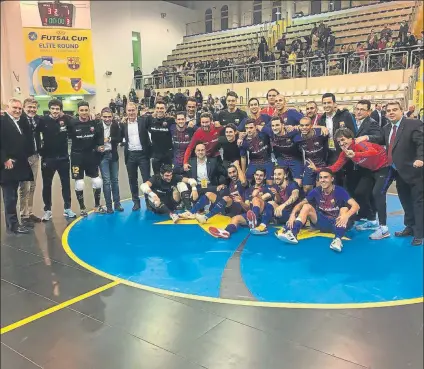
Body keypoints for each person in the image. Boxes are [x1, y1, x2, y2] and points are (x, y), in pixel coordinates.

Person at [308, 127, 390, 240]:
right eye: (339, 141)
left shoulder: (360, 144)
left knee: (377, 194)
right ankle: (372, 220)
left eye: (343, 139)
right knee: (359, 193)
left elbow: (373, 152)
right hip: (371, 171)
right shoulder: (344, 153)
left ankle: (384, 228)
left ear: (351, 138)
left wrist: (355, 154)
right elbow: (335, 167)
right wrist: (317, 169)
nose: (341, 143)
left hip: (384, 168)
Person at [276, 168, 360, 252]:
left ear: (332, 179)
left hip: (337, 223)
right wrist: (292, 215)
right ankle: (293, 234)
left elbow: (356, 206)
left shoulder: (339, 190)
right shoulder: (316, 191)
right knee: (306, 206)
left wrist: (346, 216)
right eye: (321, 178)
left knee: (344, 209)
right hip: (322, 222)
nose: (323, 180)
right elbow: (300, 204)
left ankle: (337, 240)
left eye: (326, 177)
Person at [382, 101, 423, 246]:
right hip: (397, 171)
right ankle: (410, 227)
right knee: (405, 201)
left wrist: (420, 158)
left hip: (415, 171)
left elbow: (421, 143)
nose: (391, 112)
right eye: (388, 111)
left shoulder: (413, 124)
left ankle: (419, 233)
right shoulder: (387, 128)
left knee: (418, 203)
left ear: (402, 110)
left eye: (394, 110)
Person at [36, 99, 76, 221]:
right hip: (48, 159)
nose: (55, 111)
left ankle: (67, 208)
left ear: (60, 110)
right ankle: (47, 210)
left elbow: (75, 124)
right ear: (49, 109)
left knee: (65, 184)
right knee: (47, 185)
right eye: (53, 109)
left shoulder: (65, 120)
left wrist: (66, 116)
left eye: (57, 109)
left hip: (63, 157)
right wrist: (40, 151)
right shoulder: (42, 120)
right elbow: (36, 135)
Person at [0, 98, 34, 234]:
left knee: (13, 195)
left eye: (20, 108)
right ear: (7, 108)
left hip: (16, 165)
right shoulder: (3, 121)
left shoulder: (16, 121)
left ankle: (13, 223)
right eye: (14, 108)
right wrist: (5, 159)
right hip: (7, 166)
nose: (17, 111)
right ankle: (13, 225)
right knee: (10, 196)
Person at [68, 101, 106, 217]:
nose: (84, 112)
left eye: (86, 110)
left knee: (97, 181)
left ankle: (97, 205)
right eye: (82, 110)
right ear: (78, 111)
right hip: (77, 157)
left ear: (89, 110)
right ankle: (82, 208)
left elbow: (99, 137)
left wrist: (99, 146)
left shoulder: (95, 123)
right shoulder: (72, 123)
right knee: (79, 183)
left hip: (91, 156)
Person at [208, 167, 269, 239]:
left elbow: (271, 202)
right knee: (235, 218)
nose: (258, 177)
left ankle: (254, 220)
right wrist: (241, 202)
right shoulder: (248, 190)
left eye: (261, 175)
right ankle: (226, 232)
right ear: (254, 176)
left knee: (255, 199)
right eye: (257, 175)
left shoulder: (268, 188)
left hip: (263, 216)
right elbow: (247, 208)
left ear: (264, 177)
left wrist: (257, 195)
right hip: (250, 218)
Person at [180, 160, 247, 224]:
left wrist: (237, 165)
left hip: (240, 209)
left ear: (237, 171)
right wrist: (224, 186)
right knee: (209, 194)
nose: (232, 174)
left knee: (226, 198)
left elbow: (243, 181)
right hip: (229, 209)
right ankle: (191, 213)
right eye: (230, 173)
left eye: (234, 172)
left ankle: (205, 217)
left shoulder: (242, 182)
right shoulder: (231, 183)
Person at [250, 166, 301, 235]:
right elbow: (264, 197)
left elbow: (295, 195)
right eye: (275, 174)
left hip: (294, 215)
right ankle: (262, 226)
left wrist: (283, 205)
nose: (276, 177)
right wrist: (256, 196)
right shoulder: (276, 187)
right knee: (270, 203)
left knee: (272, 204)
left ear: (285, 175)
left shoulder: (292, 184)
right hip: (282, 214)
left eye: (279, 174)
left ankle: (286, 228)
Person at [121, 102, 152, 211]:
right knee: (132, 180)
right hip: (130, 155)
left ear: (137, 110)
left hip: (143, 155)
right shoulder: (123, 124)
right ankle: (136, 202)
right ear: (126, 112)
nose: (131, 112)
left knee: (146, 179)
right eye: (129, 110)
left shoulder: (144, 121)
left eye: (133, 110)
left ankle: (149, 203)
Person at [259, 117, 303, 186]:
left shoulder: (292, 132)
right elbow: (258, 127)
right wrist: (241, 137)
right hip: (282, 158)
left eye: (277, 125)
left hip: (295, 159)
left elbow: (306, 127)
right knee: (276, 181)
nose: (274, 128)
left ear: (283, 125)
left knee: (298, 183)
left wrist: (298, 127)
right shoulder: (270, 132)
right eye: (272, 126)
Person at [19, 98, 42, 224]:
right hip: (24, 157)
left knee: (33, 186)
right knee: (25, 187)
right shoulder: (19, 120)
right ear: (24, 107)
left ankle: (30, 211)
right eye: (29, 107)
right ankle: (24, 214)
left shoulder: (37, 119)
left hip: (35, 156)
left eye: (34, 107)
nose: (32, 109)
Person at [318, 93, 356, 165]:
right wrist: (320, 127)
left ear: (334, 104)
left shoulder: (345, 115)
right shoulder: (321, 119)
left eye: (329, 103)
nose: (326, 105)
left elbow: (353, 133)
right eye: (324, 103)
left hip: (345, 152)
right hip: (329, 154)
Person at [98, 108, 123, 214]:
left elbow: (119, 138)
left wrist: (110, 139)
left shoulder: (115, 125)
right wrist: (97, 147)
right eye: (105, 117)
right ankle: (109, 206)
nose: (107, 119)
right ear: (101, 117)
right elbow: (94, 140)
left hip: (113, 155)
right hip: (102, 156)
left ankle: (117, 204)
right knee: (106, 181)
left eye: (109, 117)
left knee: (115, 180)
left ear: (112, 117)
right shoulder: (97, 126)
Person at [294, 117, 329, 193]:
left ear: (311, 125)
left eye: (307, 125)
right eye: (302, 125)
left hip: (321, 164)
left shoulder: (320, 133)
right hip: (309, 164)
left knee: (320, 188)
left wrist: (322, 127)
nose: (304, 128)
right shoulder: (297, 138)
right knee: (306, 188)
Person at [144, 100, 175, 174]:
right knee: (157, 176)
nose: (159, 110)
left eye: (161, 108)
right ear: (155, 109)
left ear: (165, 109)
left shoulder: (170, 120)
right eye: (157, 108)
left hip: (167, 154)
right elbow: (141, 124)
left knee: (168, 175)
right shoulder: (150, 120)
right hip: (156, 154)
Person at [240, 119, 274, 184]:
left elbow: (273, 132)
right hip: (254, 162)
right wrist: (243, 172)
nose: (248, 130)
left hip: (267, 161)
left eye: (251, 128)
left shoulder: (263, 134)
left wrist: (262, 127)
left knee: (269, 182)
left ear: (256, 127)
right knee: (246, 181)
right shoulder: (243, 141)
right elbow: (243, 157)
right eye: (246, 128)